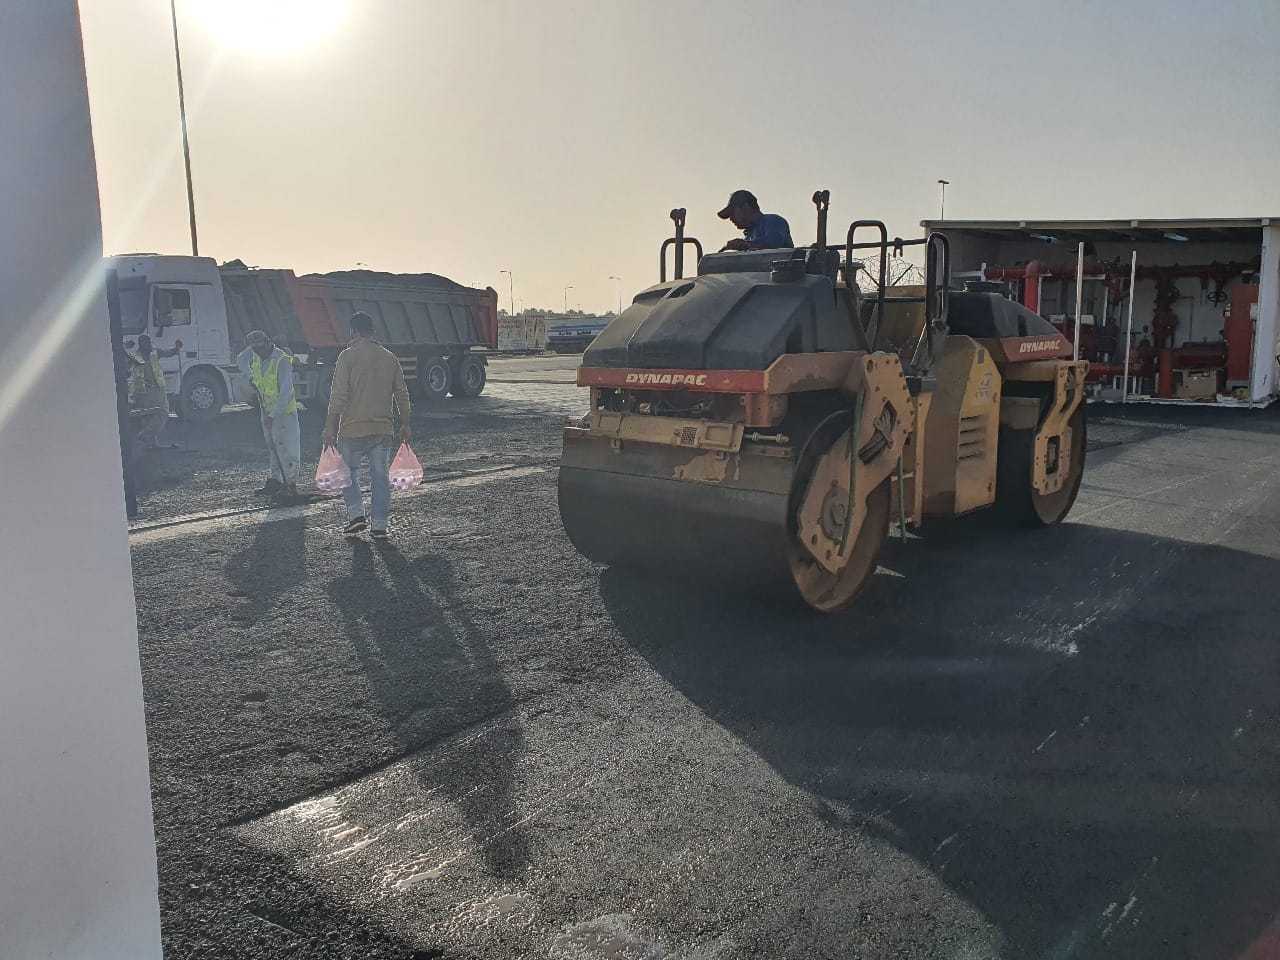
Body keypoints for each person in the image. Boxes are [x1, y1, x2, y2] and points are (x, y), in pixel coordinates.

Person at [321, 311, 411, 540]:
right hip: (382, 430)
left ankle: (356, 516)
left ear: (353, 331)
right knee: (380, 478)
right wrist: (406, 424)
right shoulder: (390, 358)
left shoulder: (347, 357)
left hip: (352, 429)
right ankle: (379, 525)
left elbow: (338, 395)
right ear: (372, 332)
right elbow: (402, 393)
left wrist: (330, 426)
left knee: (348, 474)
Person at [236, 330, 303, 503]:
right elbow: (241, 359)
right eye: (254, 349)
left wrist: (273, 416)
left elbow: (285, 392)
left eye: (260, 348)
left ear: (267, 342)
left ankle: (290, 484)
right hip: (266, 409)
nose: (258, 352)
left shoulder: (282, 361)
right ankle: (276, 480)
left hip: (283, 412)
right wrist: (250, 376)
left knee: (287, 447)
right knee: (272, 445)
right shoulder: (256, 353)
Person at [127, 333, 182, 448]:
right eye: (147, 343)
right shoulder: (135, 355)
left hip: (156, 388)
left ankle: (152, 444)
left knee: (151, 416)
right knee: (162, 412)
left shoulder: (155, 351)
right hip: (144, 391)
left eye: (150, 342)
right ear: (141, 344)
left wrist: (177, 347)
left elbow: (170, 352)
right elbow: (126, 365)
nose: (150, 345)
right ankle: (146, 435)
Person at [718, 189, 793, 251]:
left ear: (745, 206)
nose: (730, 218)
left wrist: (745, 244)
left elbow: (773, 243)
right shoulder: (749, 236)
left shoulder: (773, 221)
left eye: (732, 213)